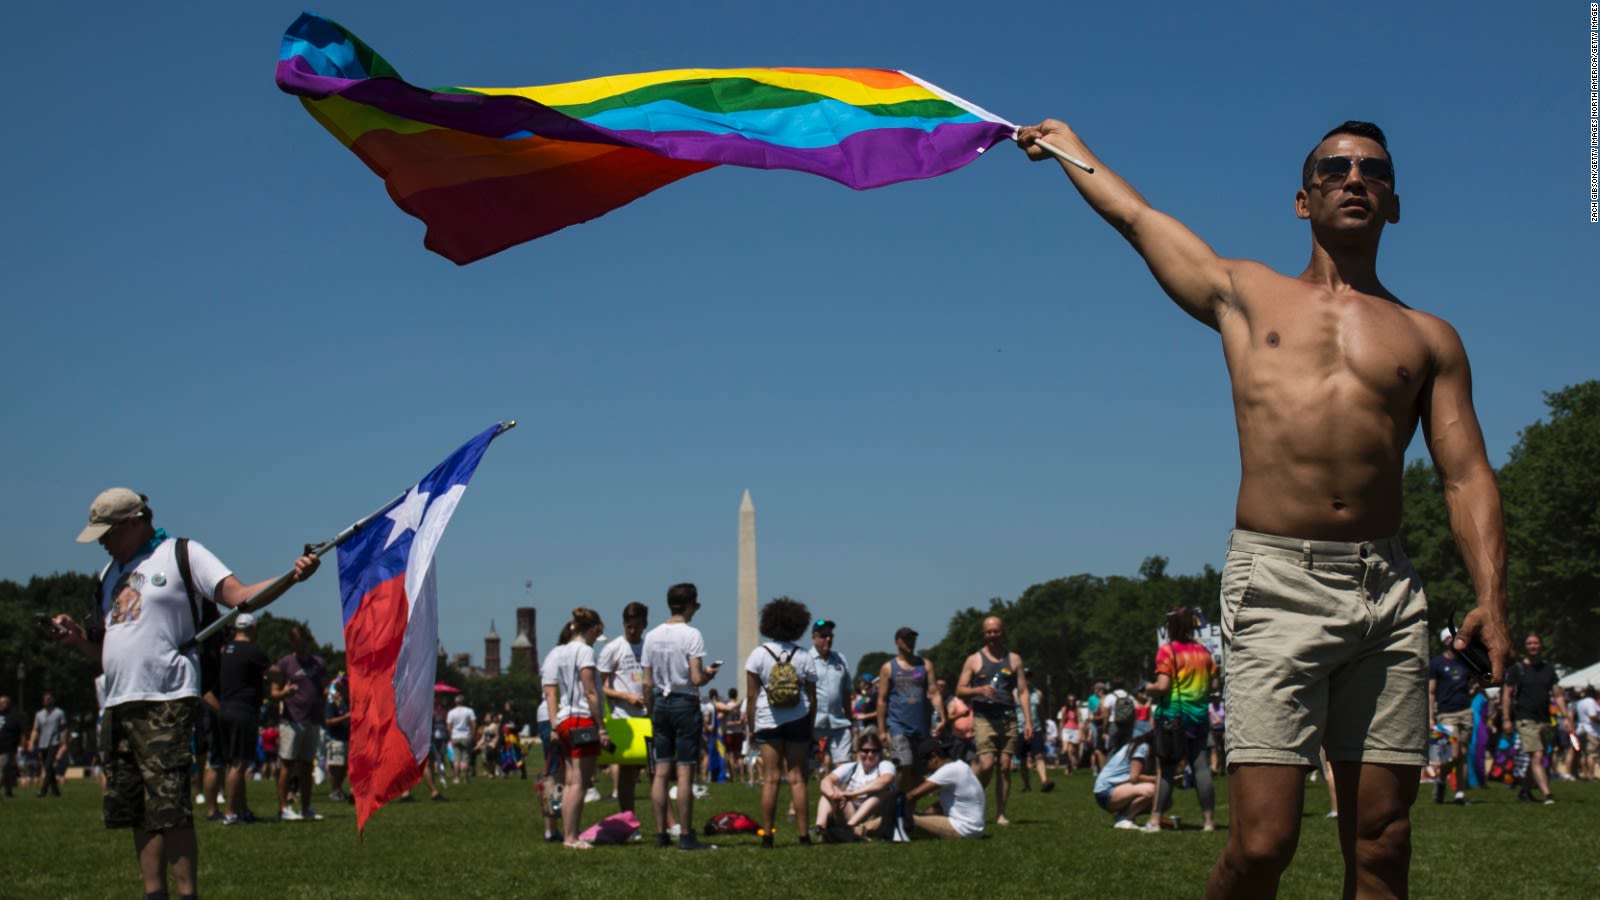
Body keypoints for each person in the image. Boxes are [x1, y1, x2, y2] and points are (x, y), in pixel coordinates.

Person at [1016, 118, 1513, 898]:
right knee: (1262, 843)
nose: (1355, 179)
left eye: (1373, 171)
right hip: (1277, 580)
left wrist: (1491, 599)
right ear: (1302, 199)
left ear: (1393, 202)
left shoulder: (1429, 338)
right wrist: (1069, 148)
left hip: (1387, 593)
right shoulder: (1246, 294)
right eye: (1335, 168)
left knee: (1383, 839)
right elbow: (1138, 220)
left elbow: (1467, 477)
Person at [50, 486, 319, 899]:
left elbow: (240, 597)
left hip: (166, 701)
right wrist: (77, 640)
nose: (102, 542)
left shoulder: (181, 554)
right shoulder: (107, 577)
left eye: (108, 532)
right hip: (119, 704)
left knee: (171, 809)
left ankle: (186, 893)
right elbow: (105, 651)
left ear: (135, 522)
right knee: (136, 809)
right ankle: (154, 893)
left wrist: (292, 575)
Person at [641, 582, 719, 851]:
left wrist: (651, 710)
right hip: (684, 701)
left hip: (660, 703)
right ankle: (686, 834)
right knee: (685, 771)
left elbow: (646, 682)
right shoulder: (691, 634)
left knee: (661, 770)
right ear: (689, 605)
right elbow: (696, 677)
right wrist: (708, 674)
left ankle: (661, 833)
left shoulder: (651, 636)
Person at [745, 596, 819, 848]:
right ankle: (803, 836)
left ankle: (767, 834)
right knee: (798, 778)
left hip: (767, 718)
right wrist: (810, 725)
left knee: (771, 778)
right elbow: (811, 696)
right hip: (798, 717)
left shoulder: (758, 654)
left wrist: (751, 725)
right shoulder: (805, 656)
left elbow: (752, 696)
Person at [541, 607, 611, 850]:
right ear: (592, 629)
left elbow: (550, 690)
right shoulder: (585, 652)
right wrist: (601, 726)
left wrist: (554, 723)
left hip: (563, 720)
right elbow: (590, 691)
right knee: (579, 783)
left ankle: (569, 833)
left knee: (570, 781)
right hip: (582, 719)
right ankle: (571, 836)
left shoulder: (557, 652)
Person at [1144, 606, 1219, 832]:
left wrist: (1148, 688)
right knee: (1201, 768)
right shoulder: (1204, 652)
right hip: (1199, 717)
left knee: (1167, 769)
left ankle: (1155, 820)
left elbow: (1163, 685)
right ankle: (1209, 821)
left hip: (1173, 717)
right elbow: (1214, 685)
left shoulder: (1168, 651)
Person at [956, 616, 1032, 826]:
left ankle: (1000, 813)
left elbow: (1023, 691)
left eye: (996, 631)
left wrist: (1028, 721)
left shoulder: (1014, 659)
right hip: (983, 718)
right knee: (987, 764)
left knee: (1006, 766)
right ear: (984, 634)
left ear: (1002, 632)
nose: (993, 636)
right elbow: (960, 690)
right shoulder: (974, 660)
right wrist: (978, 690)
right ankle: (971, 798)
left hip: (1008, 717)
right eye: (989, 632)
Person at [216, 611, 271, 824]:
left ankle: (242, 809)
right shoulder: (254, 652)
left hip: (224, 708)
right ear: (254, 629)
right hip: (243, 711)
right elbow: (272, 671)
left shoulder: (225, 651)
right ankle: (230, 812)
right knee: (239, 765)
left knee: (235, 762)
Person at [1501, 633, 1569, 804]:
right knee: (1537, 756)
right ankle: (1547, 794)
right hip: (1525, 718)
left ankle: (1524, 792)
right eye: (1529, 643)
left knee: (1536, 758)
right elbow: (1507, 695)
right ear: (1525, 647)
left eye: (1535, 643)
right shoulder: (1517, 669)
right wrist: (1506, 718)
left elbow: (1558, 694)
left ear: (1540, 646)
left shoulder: (1548, 669)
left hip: (1544, 719)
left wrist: (1567, 716)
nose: (1533, 646)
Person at [272, 624, 328, 822]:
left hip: (312, 719)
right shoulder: (285, 663)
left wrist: (325, 695)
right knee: (287, 764)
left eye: (303, 642)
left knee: (307, 766)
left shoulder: (318, 663)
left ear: (308, 641)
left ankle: (306, 807)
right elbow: (274, 693)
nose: (300, 646)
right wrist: (285, 693)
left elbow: (322, 687)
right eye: (296, 642)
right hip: (291, 720)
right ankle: (283, 807)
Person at [598, 601, 649, 812]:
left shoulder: (648, 646)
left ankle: (665, 825)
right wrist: (625, 696)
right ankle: (628, 817)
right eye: (629, 627)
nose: (633, 631)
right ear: (623, 624)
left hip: (647, 716)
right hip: (623, 717)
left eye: (637, 626)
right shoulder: (613, 649)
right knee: (627, 773)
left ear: (645, 624)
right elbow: (600, 687)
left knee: (654, 770)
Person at [876, 627, 941, 793]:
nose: (909, 642)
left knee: (917, 771)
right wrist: (882, 730)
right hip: (898, 725)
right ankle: (897, 799)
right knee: (905, 763)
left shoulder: (925, 665)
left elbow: (934, 693)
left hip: (920, 726)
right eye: (905, 639)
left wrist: (941, 716)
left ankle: (904, 804)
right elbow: (882, 700)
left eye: (912, 639)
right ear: (897, 642)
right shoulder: (888, 668)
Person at [815, 733, 896, 841]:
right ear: (859, 751)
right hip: (851, 810)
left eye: (874, 751)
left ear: (880, 752)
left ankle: (849, 828)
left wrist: (851, 794)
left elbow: (885, 780)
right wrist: (834, 795)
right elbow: (825, 781)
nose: (870, 755)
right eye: (865, 751)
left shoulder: (885, 765)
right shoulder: (851, 767)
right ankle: (820, 827)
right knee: (830, 790)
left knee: (880, 794)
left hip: (874, 815)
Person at [1428, 628, 1475, 805]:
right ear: (1444, 641)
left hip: (1465, 711)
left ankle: (1460, 793)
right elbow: (1431, 691)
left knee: (1462, 753)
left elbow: (1471, 683)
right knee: (1453, 754)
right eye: (1451, 638)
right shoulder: (1437, 663)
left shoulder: (1466, 662)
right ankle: (1441, 780)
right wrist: (1431, 716)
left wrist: (1474, 689)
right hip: (1446, 713)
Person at [904, 738, 985, 840]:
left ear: (934, 757)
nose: (927, 768)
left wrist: (894, 807)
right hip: (974, 829)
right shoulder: (961, 766)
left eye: (925, 763)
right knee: (914, 817)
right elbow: (942, 806)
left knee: (904, 819)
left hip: (963, 829)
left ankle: (880, 827)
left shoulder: (948, 770)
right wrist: (922, 814)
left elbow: (913, 795)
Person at [809, 619, 853, 772]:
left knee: (844, 770)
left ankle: (842, 796)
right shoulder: (806, 660)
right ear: (813, 637)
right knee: (806, 770)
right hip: (813, 725)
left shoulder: (840, 659)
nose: (828, 639)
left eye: (830, 635)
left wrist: (850, 718)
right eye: (823, 635)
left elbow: (846, 692)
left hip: (838, 722)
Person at [1094, 730, 1158, 830]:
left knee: (1164, 800)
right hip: (1107, 791)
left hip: (1115, 789)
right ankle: (1124, 818)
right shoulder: (1143, 747)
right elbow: (1134, 777)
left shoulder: (1140, 745)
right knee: (1153, 790)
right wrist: (1158, 779)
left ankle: (1126, 815)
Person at [28, 690, 67, 798]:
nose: (46, 701)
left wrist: (64, 744)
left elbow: (64, 729)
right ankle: (55, 791)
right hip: (42, 744)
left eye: (49, 699)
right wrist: (31, 742)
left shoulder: (59, 713)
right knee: (48, 767)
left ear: (53, 700)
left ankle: (43, 790)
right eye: (45, 699)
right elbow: (35, 729)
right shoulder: (39, 714)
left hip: (54, 742)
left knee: (49, 765)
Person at [324, 676, 351, 803]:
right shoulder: (332, 702)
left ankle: (339, 789)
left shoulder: (348, 701)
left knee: (344, 766)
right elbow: (328, 721)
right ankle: (334, 790)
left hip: (346, 737)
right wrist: (345, 717)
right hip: (335, 738)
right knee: (336, 766)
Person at [446, 694, 476, 784]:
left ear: (455, 702)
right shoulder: (469, 710)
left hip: (455, 736)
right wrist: (472, 734)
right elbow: (473, 723)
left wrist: (450, 736)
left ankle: (456, 778)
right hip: (466, 736)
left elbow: (448, 726)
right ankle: (466, 778)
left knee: (456, 759)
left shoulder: (451, 712)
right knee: (466, 758)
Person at [0, 695, 22, 798]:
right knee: (7, 771)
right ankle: (9, 791)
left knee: (3, 769)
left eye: (4, 703)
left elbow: (21, 732)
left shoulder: (14, 716)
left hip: (8, 748)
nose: (1, 705)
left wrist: (23, 745)